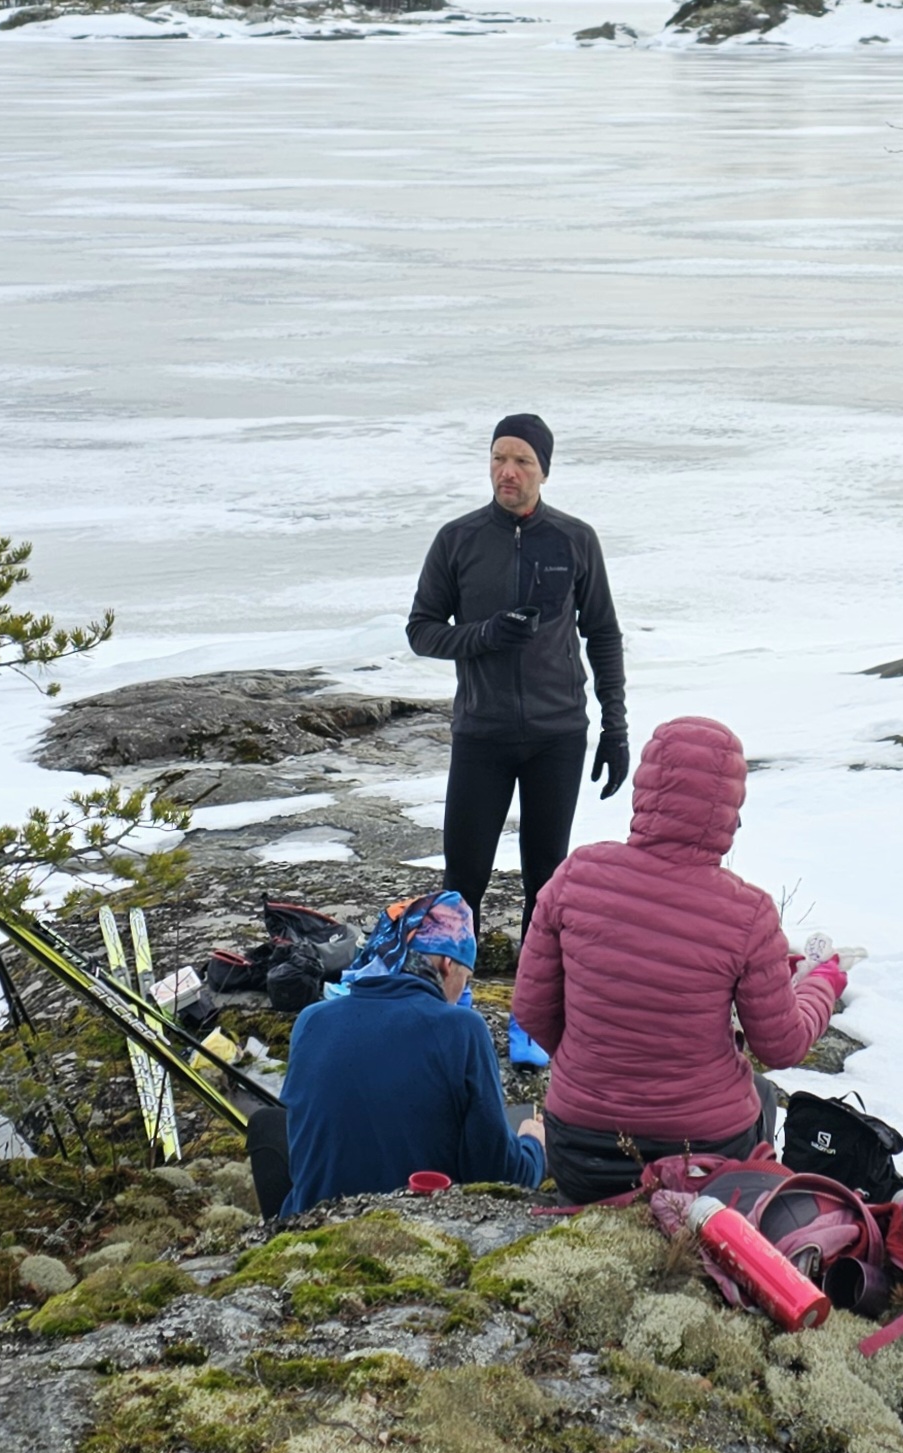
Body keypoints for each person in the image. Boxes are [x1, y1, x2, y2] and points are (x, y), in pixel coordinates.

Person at [510, 715, 846, 1200]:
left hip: (581, 1152)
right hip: (702, 1160)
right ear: (728, 808)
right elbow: (782, 1046)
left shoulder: (575, 875)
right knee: (762, 1095)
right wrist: (822, 984)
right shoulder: (748, 913)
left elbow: (531, 1009)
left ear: (645, 788)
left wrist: (591, 1066)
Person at [406, 411, 628, 928]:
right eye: (499, 458)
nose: (508, 471)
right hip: (482, 734)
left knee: (546, 885)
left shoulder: (575, 539)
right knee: (462, 884)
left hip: (558, 735)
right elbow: (421, 631)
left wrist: (614, 729)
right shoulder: (457, 539)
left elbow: (603, 634)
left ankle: (535, 982)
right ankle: (455, 980)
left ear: (543, 470)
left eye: (522, 461)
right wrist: (484, 635)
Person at [269, 894, 542, 1215]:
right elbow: (500, 1175)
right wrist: (535, 1146)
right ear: (447, 964)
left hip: (309, 1224)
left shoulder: (310, 1021)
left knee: (266, 1125)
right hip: (407, 1223)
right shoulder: (462, 1029)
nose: (460, 995)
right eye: (465, 980)